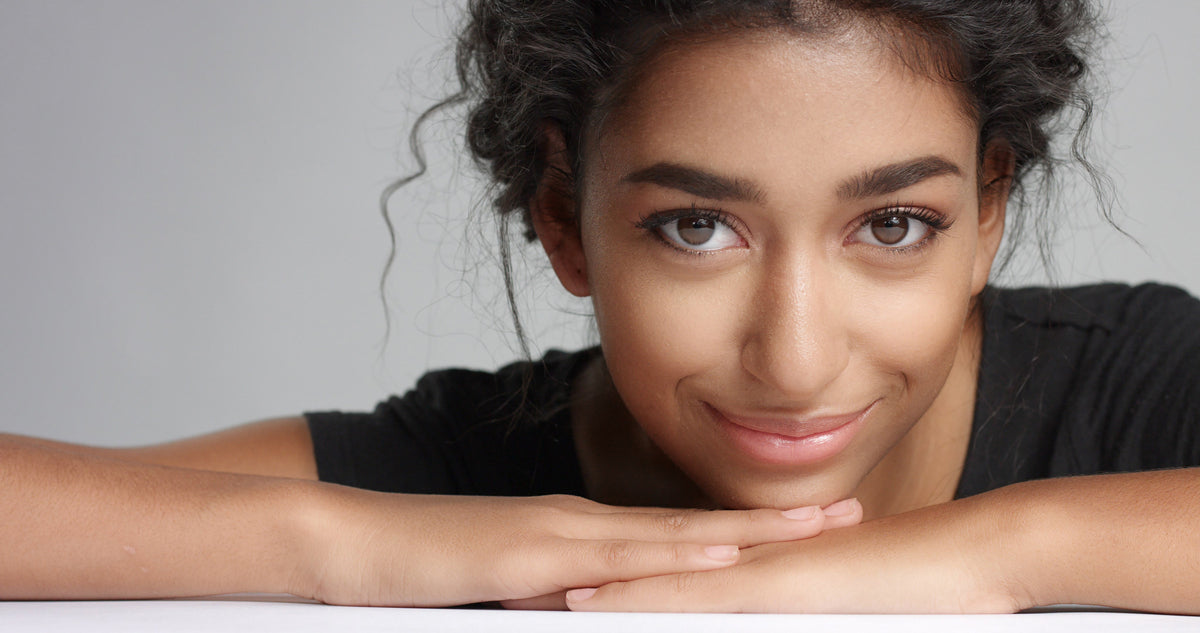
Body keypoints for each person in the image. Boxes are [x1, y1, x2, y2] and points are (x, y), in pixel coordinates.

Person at [2, 0, 1199, 614]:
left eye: (892, 225)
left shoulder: (1134, 379)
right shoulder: (474, 471)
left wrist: (1001, 554)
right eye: (696, 227)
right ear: (566, 221)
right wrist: (346, 542)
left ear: (988, 212)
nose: (792, 358)